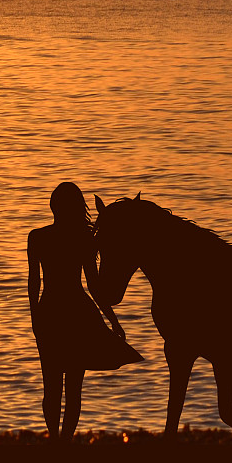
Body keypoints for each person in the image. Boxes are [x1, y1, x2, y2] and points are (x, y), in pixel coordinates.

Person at [28, 182, 143, 440]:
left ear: (54, 207)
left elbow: (33, 284)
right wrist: (113, 320)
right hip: (78, 313)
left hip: (50, 313)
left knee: (52, 386)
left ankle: (56, 442)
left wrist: (35, 317)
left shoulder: (38, 237)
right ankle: (64, 444)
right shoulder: (82, 239)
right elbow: (93, 286)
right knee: (73, 387)